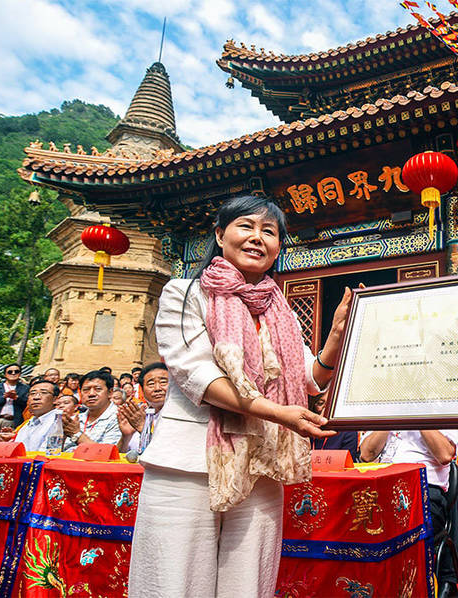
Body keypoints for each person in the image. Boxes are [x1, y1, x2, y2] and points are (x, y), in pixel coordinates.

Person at [128, 195, 351, 598]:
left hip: (262, 463)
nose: (257, 238)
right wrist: (279, 413)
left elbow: (307, 377)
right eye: (245, 226)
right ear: (219, 234)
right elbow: (199, 376)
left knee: (248, 584)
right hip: (188, 462)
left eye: (269, 231)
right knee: (173, 582)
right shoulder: (185, 293)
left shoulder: (278, 309)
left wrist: (335, 338)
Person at [359, 429, 458, 596]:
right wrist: (392, 414)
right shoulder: (384, 407)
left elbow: (445, 454)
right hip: (383, 487)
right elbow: (366, 454)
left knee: (394, 529)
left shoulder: (441, 406)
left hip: (424, 490)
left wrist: (415, 412)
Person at [61, 370, 122, 451]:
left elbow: (107, 453)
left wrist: (77, 434)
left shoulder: (120, 418)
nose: (91, 394)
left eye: (98, 389)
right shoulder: (76, 419)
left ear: (110, 392)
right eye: (86, 390)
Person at [118, 362, 168, 453]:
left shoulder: (183, 416)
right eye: (151, 384)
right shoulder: (137, 415)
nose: (157, 388)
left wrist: (144, 429)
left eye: (163, 382)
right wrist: (126, 436)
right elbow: (120, 456)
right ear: (142, 389)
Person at [307, 393, 359, 461]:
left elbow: (347, 464)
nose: (326, 409)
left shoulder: (347, 431)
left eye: (331, 403)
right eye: (320, 403)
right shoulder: (305, 427)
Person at [13, 379, 61, 451]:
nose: (36, 397)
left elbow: (50, 453)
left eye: (44, 393)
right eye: (32, 393)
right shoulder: (28, 423)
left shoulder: (59, 421)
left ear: (56, 399)